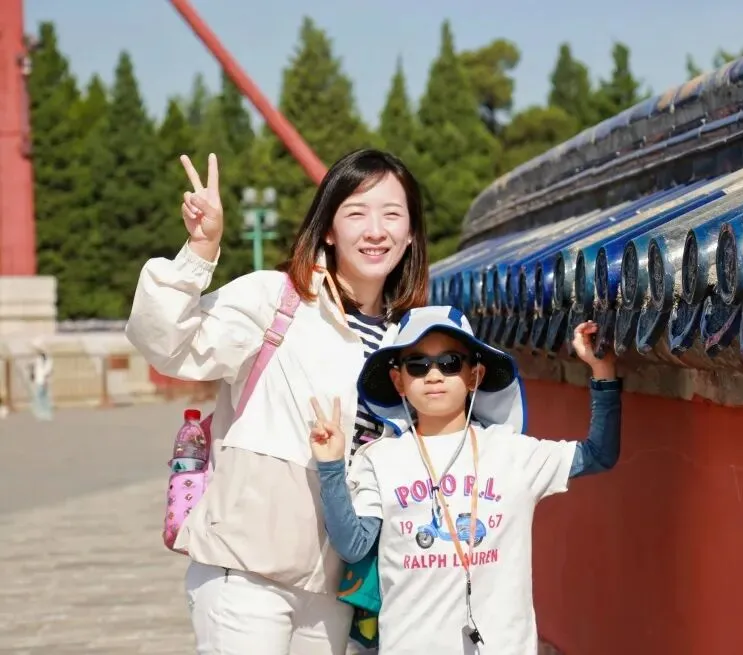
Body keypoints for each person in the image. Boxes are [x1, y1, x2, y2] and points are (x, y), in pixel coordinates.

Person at [125, 148, 429, 655]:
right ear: (328, 228)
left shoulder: (416, 343)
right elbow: (169, 345)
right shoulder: (277, 299)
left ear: (412, 232)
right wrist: (199, 250)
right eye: (356, 212)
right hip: (246, 569)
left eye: (392, 214)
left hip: (336, 585)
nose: (376, 230)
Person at [310, 305, 622, 654]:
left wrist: (603, 371)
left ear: (474, 375)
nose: (433, 375)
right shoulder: (380, 459)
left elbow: (599, 454)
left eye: (449, 363)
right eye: (417, 365)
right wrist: (331, 467)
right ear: (399, 381)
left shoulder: (511, 452)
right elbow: (352, 545)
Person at [29, 339, 54, 421]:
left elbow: (48, 369)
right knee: (40, 396)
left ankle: (45, 413)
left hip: (43, 380)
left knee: (42, 396)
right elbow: (35, 369)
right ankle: (42, 413)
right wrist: (33, 375)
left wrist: (46, 379)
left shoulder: (45, 358)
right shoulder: (39, 358)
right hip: (39, 380)